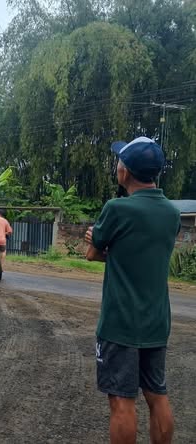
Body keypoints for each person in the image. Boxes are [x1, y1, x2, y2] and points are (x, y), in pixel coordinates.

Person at [85, 137, 180, 444]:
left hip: (121, 324)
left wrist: (101, 244)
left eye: (119, 161)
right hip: (157, 322)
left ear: (125, 171)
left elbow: (92, 253)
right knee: (157, 395)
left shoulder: (116, 208)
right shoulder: (172, 213)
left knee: (121, 401)